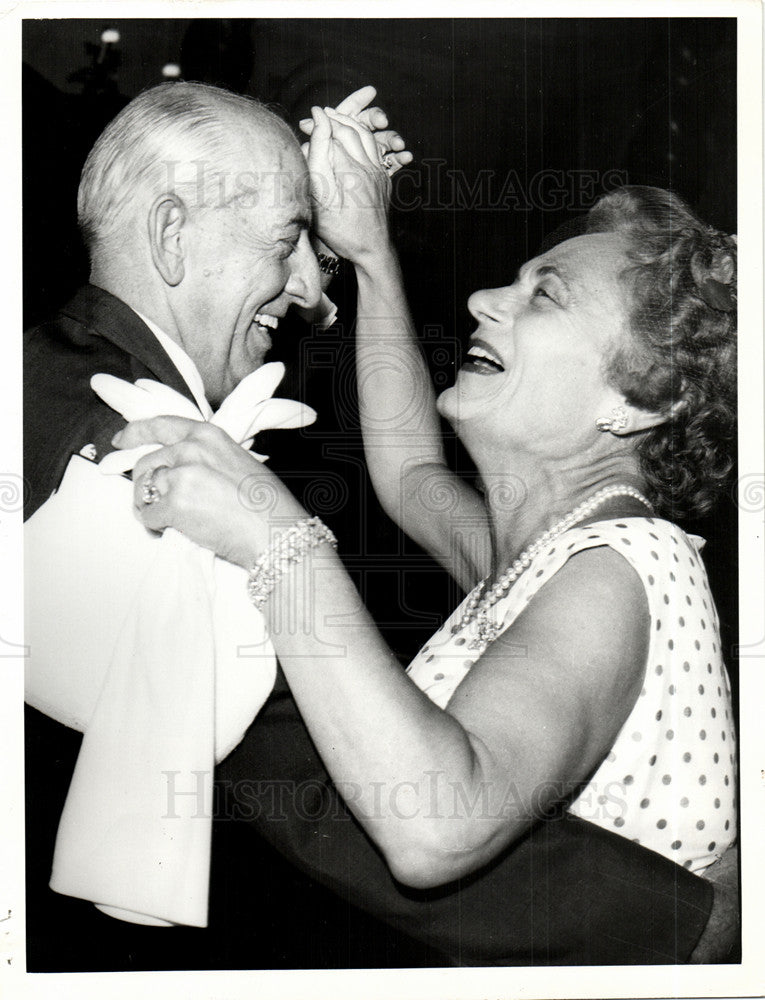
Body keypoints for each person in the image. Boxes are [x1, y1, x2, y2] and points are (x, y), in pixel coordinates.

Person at [113, 106, 739, 962]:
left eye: (543, 293)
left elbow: (434, 826)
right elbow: (409, 473)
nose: (483, 298)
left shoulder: (621, 571)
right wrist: (368, 250)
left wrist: (274, 535)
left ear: (638, 400)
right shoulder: (555, 551)